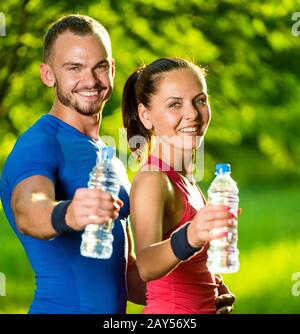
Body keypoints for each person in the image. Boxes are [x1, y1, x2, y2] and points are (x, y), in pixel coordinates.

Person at [0, 15, 145, 314]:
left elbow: (126, 274)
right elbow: (28, 209)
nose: (90, 80)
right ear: (48, 75)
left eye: (100, 67)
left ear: (112, 69)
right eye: (74, 68)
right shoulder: (39, 144)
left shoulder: (107, 155)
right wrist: (69, 211)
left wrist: (197, 294)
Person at [122, 57, 237, 314]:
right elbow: (148, 265)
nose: (193, 114)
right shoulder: (153, 179)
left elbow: (188, 270)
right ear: (146, 115)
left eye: (200, 100)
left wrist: (215, 291)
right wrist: (192, 235)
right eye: (175, 104)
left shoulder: (188, 181)